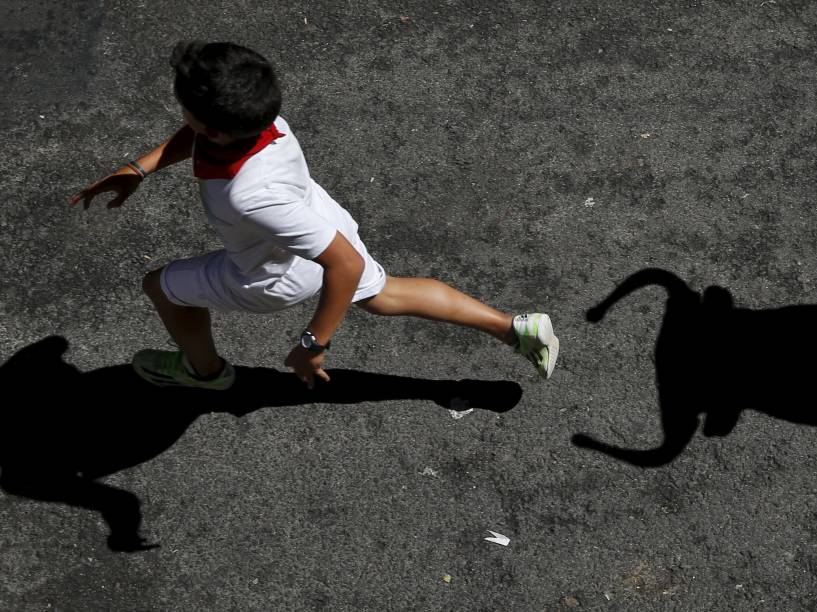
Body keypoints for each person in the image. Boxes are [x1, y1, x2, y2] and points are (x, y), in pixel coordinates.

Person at [68, 41, 559, 391]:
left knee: (162, 286)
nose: (185, 118)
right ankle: (516, 328)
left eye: (188, 112)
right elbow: (200, 132)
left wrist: (311, 343)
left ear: (214, 128)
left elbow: (340, 266)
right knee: (385, 296)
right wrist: (141, 167)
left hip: (275, 273)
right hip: (323, 221)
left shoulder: (250, 195)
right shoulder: (263, 118)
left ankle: (205, 373)